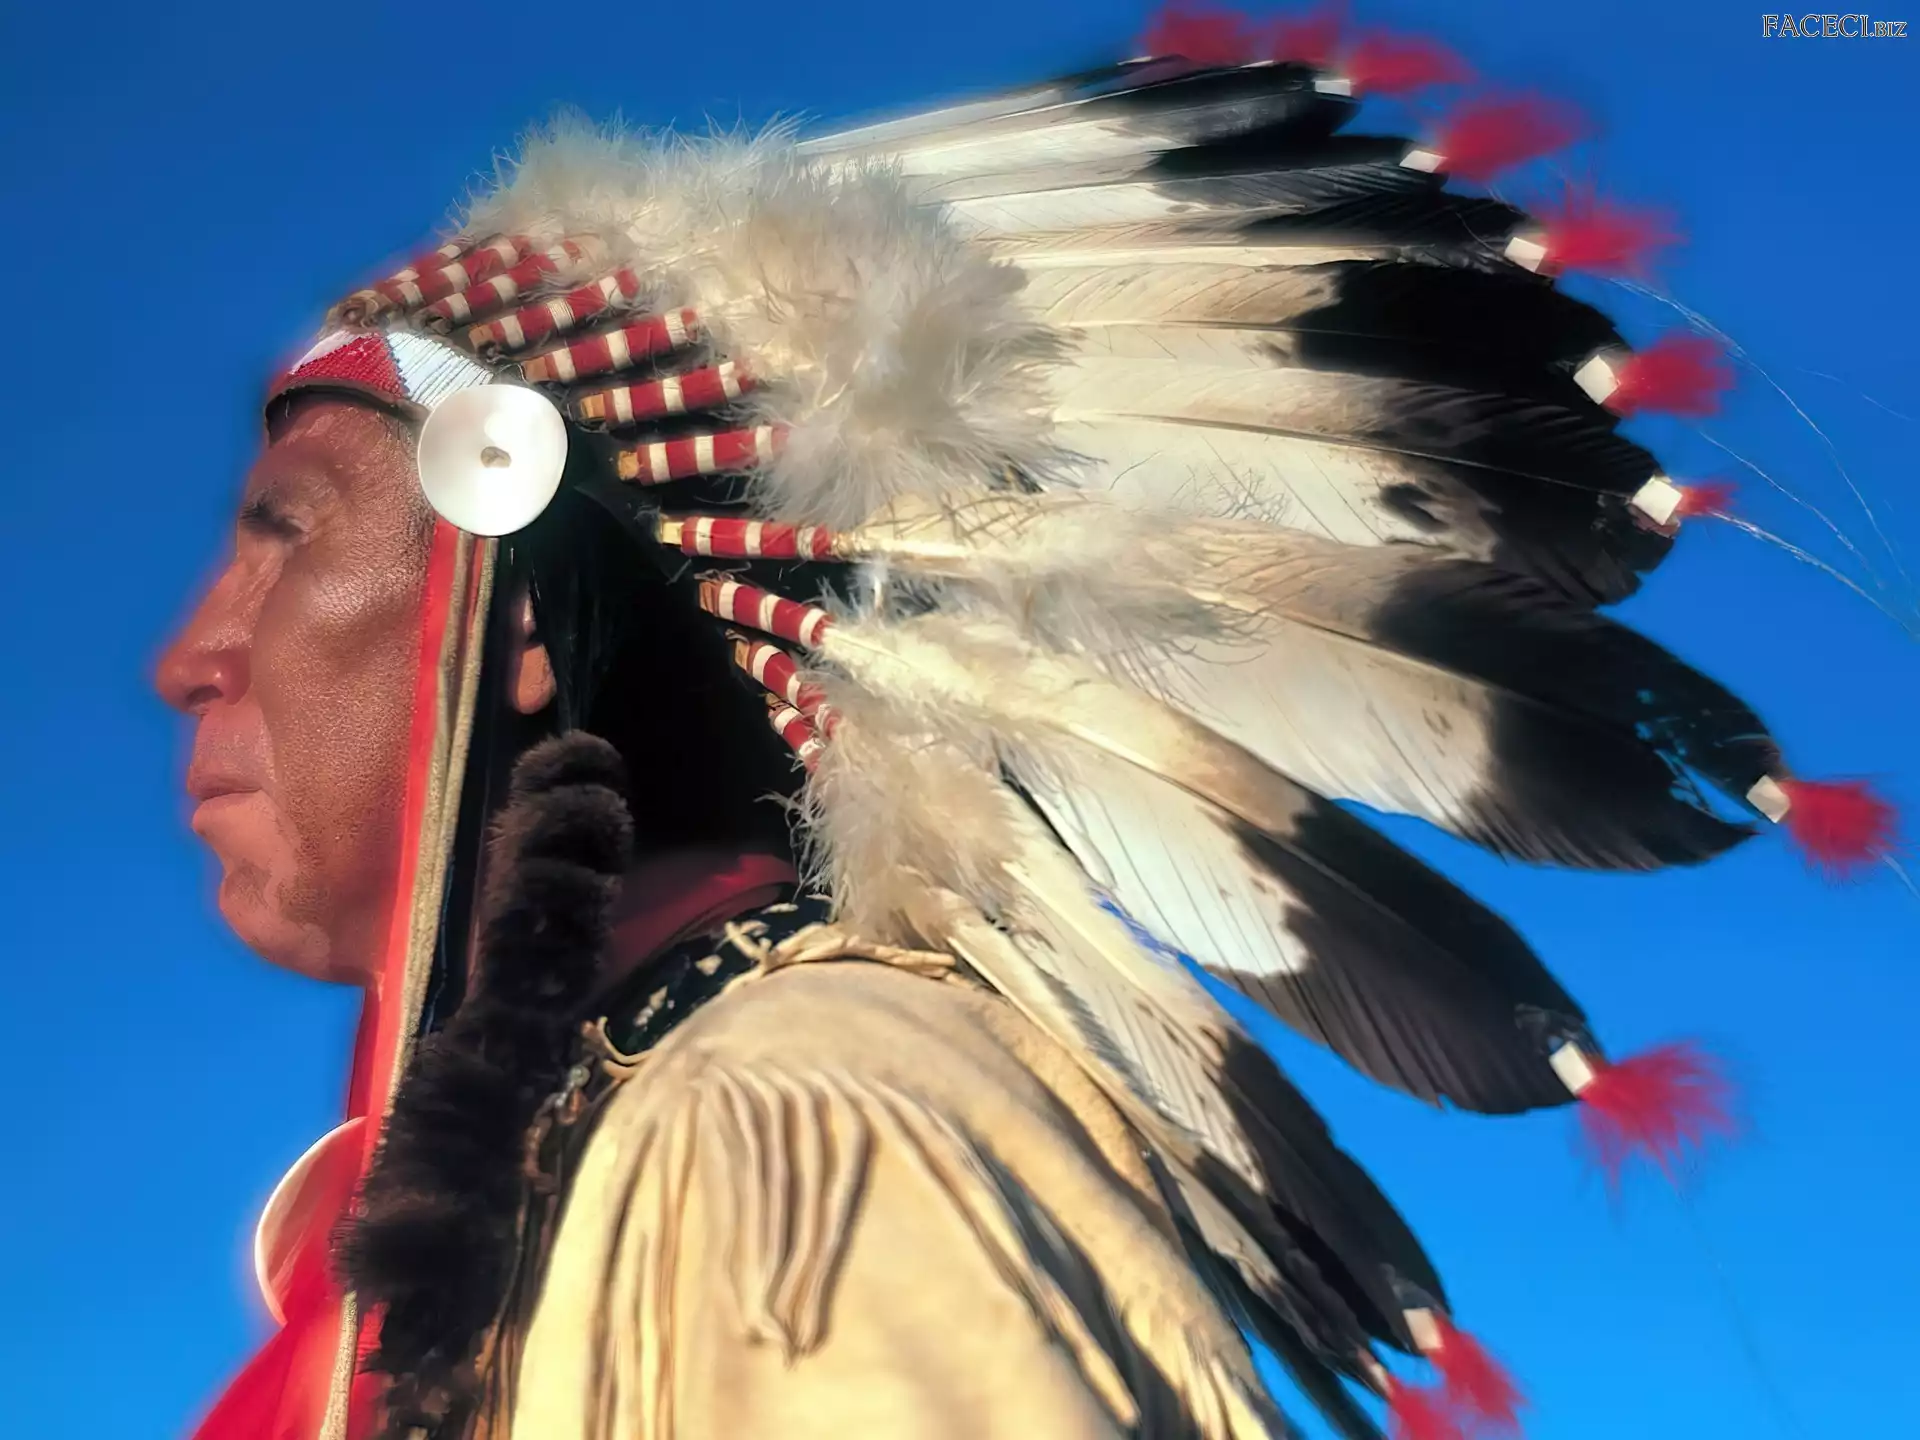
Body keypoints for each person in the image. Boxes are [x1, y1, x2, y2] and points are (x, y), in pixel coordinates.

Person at [159, 12, 1895, 1440]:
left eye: (282, 535)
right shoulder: (528, 1201)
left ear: (518, 614)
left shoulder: (798, 1125)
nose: (188, 656)